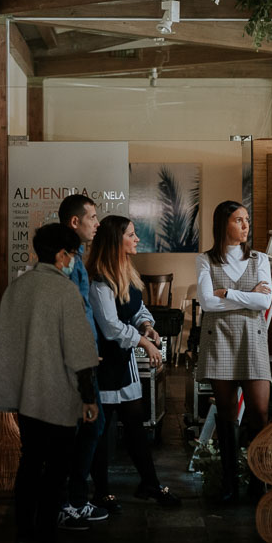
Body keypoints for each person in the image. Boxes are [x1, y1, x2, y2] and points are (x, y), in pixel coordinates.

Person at [0, 223, 100, 543]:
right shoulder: (65, 292)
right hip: (58, 394)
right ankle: (47, 541)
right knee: (55, 472)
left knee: (29, 464)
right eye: (74, 255)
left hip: (26, 396)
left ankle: (23, 537)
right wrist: (88, 397)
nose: (74, 262)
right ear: (62, 255)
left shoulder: (18, 288)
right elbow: (80, 353)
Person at [86, 215, 182, 509]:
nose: (137, 238)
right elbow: (111, 327)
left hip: (124, 366)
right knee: (102, 432)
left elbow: (137, 308)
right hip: (104, 365)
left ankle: (149, 484)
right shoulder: (99, 281)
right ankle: (101, 492)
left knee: (136, 428)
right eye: (131, 234)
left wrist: (147, 326)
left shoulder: (126, 272)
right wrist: (144, 342)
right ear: (117, 240)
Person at [195, 200, 272, 503]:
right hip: (220, 340)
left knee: (260, 411)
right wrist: (248, 296)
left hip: (252, 340)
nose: (245, 225)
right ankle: (229, 482)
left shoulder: (260, 258)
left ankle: (258, 480)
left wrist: (227, 293)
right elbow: (206, 303)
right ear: (223, 224)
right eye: (238, 220)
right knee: (226, 414)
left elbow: (264, 303)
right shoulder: (205, 260)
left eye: (246, 220)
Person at [55, 193, 110, 528]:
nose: (97, 223)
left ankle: (74, 499)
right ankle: (67, 502)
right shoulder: (64, 261)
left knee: (92, 426)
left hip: (84, 359)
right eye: (92, 217)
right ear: (74, 222)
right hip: (72, 364)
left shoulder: (78, 257)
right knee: (80, 429)